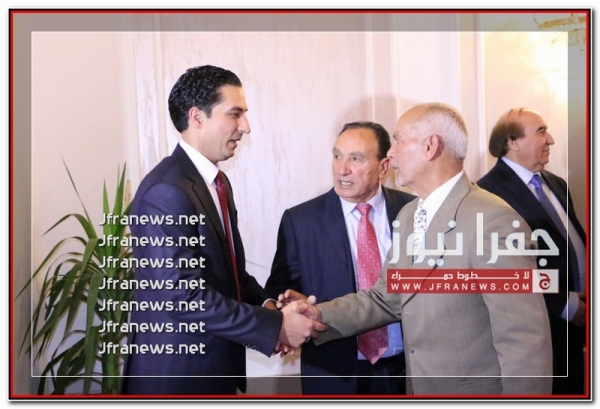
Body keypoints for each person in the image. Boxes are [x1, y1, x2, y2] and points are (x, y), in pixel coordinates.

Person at [283, 102, 553, 395]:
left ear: (430, 147)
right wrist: (317, 316)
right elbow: (385, 298)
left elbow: (523, 340)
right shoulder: (409, 215)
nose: (390, 153)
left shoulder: (492, 220)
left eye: (398, 141)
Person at [121, 65, 325, 395]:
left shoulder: (217, 183)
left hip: (214, 372)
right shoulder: (166, 191)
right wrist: (276, 327)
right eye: (235, 114)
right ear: (197, 117)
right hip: (178, 379)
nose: (246, 126)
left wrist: (271, 306)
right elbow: (183, 296)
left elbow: (229, 274)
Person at [265, 121, 415, 395]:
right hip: (333, 373)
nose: (341, 169)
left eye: (355, 159)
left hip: (407, 371)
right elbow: (279, 289)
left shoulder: (413, 211)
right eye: (337, 156)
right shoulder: (301, 221)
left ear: (383, 167)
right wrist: (289, 303)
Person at [477, 108, 586, 395]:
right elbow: (507, 270)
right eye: (541, 131)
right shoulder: (488, 194)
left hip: (577, 326)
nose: (550, 139)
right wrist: (567, 305)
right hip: (541, 326)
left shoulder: (556, 183)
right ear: (512, 142)